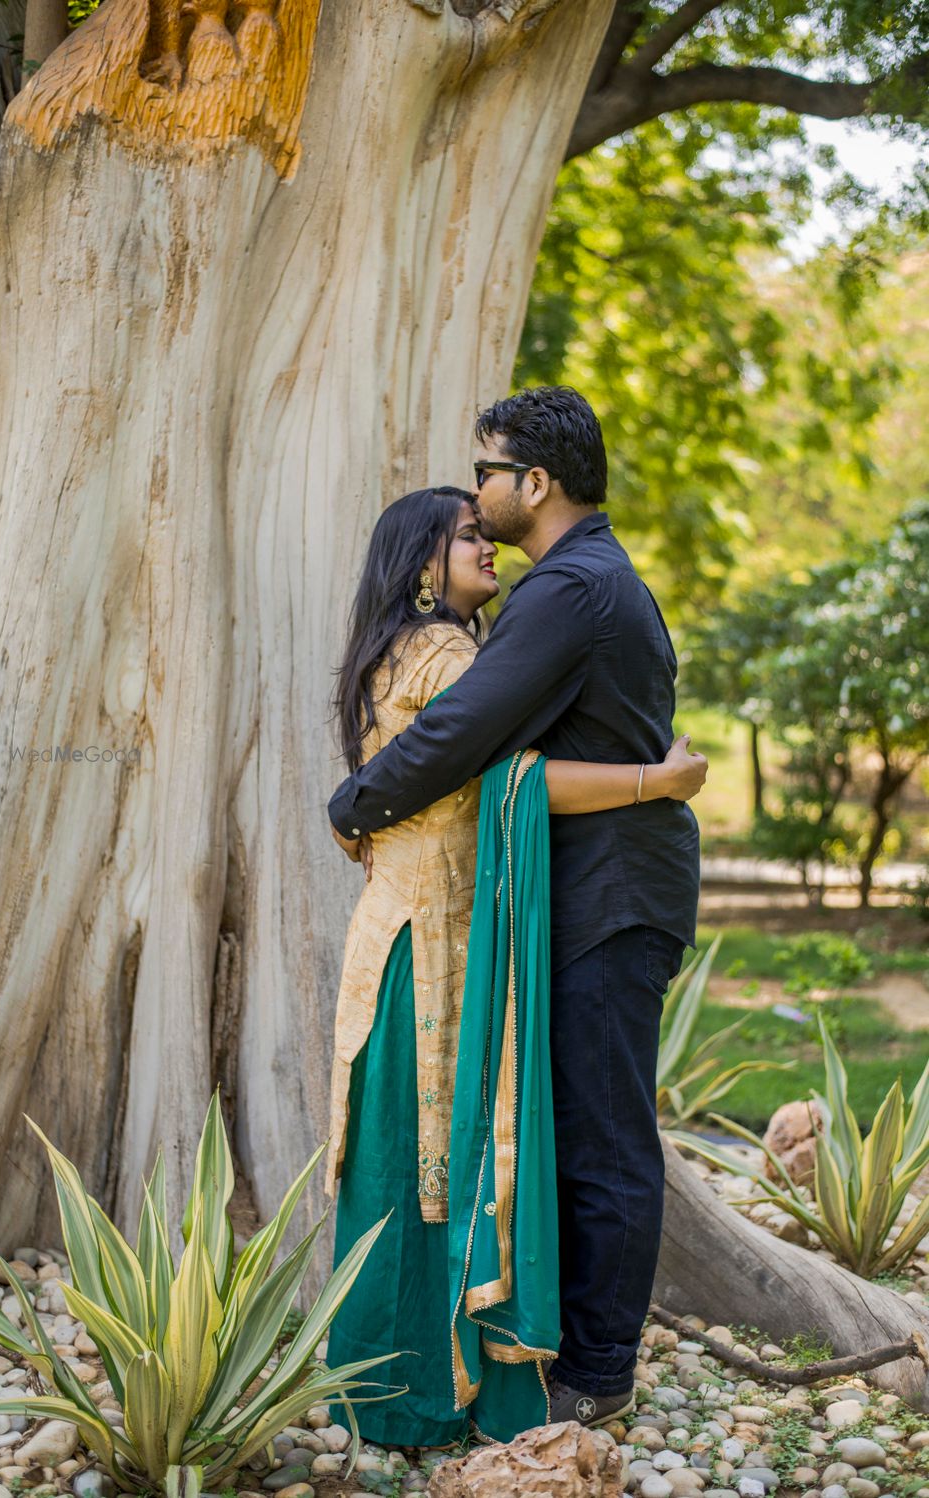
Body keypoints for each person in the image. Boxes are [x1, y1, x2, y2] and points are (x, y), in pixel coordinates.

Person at [326, 477, 706, 1445]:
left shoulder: (395, 649)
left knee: (402, 1156)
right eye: (463, 538)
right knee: (441, 1158)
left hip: (395, 931)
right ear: (421, 567)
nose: (485, 546)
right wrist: (651, 781)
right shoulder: (449, 655)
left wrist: (354, 810)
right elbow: (508, 776)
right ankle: (441, 1388)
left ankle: (388, 1382)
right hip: (437, 943)